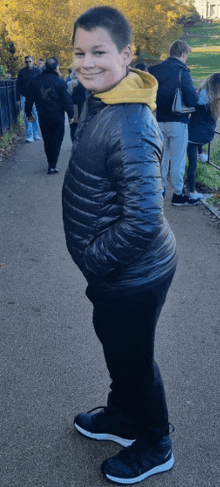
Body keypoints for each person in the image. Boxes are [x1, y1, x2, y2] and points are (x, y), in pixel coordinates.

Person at [62, 6, 177, 485]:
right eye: (79, 52)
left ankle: (155, 441)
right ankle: (122, 416)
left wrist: (93, 260)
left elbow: (145, 221)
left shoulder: (130, 120)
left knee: (133, 356)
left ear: (127, 54)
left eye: (99, 52)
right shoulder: (102, 98)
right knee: (118, 348)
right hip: (116, 271)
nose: (86, 62)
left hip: (132, 271)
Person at [148, 40, 200, 206]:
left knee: (162, 158)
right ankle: (178, 194)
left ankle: (160, 190)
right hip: (178, 121)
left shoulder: (155, 71)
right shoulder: (181, 72)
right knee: (177, 160)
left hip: (158, 120)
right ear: (184, 54)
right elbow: (193, 99)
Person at [25, 57, 74, 174]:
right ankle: (53, 164)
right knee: (57, 140)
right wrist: (71, 115)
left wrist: (28, 114)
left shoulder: (35, 80)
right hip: (57, 116)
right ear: (56, 67)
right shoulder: (60, 82)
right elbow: (67, 100)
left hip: (43, 116)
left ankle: (50, 163)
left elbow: (29, 100)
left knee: (47, 140)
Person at [187, 73, 220, 199]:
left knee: (192, 165)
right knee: (200, 138)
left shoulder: (198, 93)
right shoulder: (216, 100)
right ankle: (201, 153)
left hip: (192, 134)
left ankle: (192, 192)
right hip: (207, 135)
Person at [17, 56, 41, 142]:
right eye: (26, 62)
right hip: (25, 96)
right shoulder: (22, 72)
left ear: (33, 61)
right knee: (27, 115)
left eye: (30, 61)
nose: (28, 63)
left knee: (35, 114)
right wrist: (18, 99)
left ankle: (36, 133)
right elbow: (18, 85)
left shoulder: (38, 71)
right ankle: (30, 135)